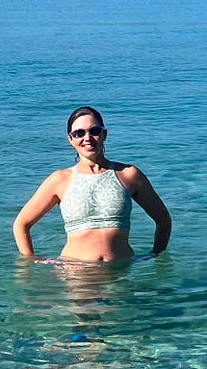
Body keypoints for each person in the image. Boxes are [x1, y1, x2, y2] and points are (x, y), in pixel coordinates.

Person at [13, 106, 172, 262]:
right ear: (70, 139)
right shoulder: (59, 180)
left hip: (120, 273)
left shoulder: (128, 174)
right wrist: (32, 259)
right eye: (79, 133)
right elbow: (21, 224)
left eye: (94, 131)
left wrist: (155, 256)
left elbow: (163, 219)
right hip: (76, 275)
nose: (87, 138)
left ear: (104, 134)